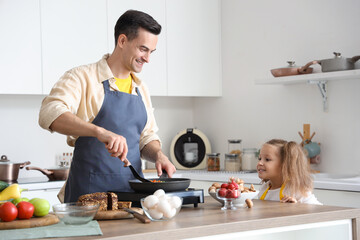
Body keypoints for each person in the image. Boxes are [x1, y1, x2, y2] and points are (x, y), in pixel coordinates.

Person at [38, 10, 176, 203]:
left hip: (133, 198)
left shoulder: (140, 88)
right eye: (143, 49)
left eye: (151, 52)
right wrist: (99, 131)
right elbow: (49, 113)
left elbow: (146, 137)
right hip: (87, 197)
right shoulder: (82, 77)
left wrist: (159, 155)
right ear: (122, 41)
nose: (148, 58)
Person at [257, 139, 321, 205]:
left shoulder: (296, 190)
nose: (259, 163)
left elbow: (320, 210)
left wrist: (297, 207)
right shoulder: (264, 188)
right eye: (259, 158)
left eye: (267, 159)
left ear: (285, 164)